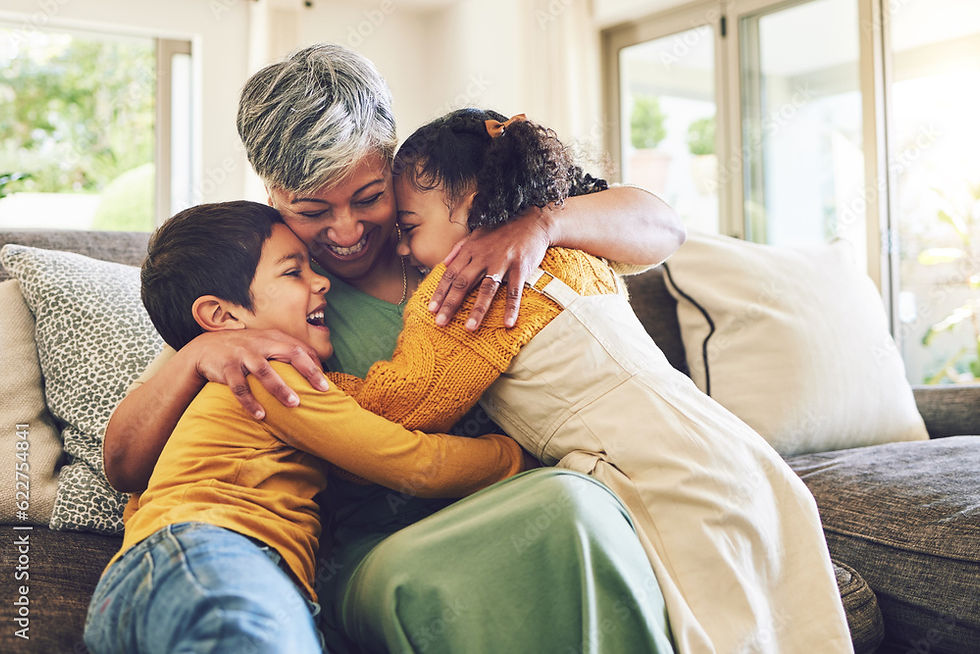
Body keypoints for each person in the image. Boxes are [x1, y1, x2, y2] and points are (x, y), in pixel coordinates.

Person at [103, 43, 685, 653]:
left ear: (392, 161)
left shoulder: (466, 223)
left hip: (527, 498)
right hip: (381, 550)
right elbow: (125, 464)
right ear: (272, 196)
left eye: (369, 197)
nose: (348, 232)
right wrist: (194, 356)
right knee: (570, 506)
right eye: (311, 210)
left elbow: (663, 227)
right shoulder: (263, 296)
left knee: (585, 508)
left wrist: (541, 224)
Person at [370, 108, 852, 653]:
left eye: (409, 229)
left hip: (655, 469)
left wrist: (299, 381)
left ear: (475, 202)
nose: (404, 249)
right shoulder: (578, 254)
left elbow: (406, 402)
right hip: (737, 451)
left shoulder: (473, 289)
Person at [84, 201, 533, 653]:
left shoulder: (214, 380)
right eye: (292, 272)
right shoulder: (265, 374)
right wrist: (519, 457)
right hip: (209, 558)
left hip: (162, 582)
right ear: (222, 318)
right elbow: (412, 461)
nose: (322, 281)